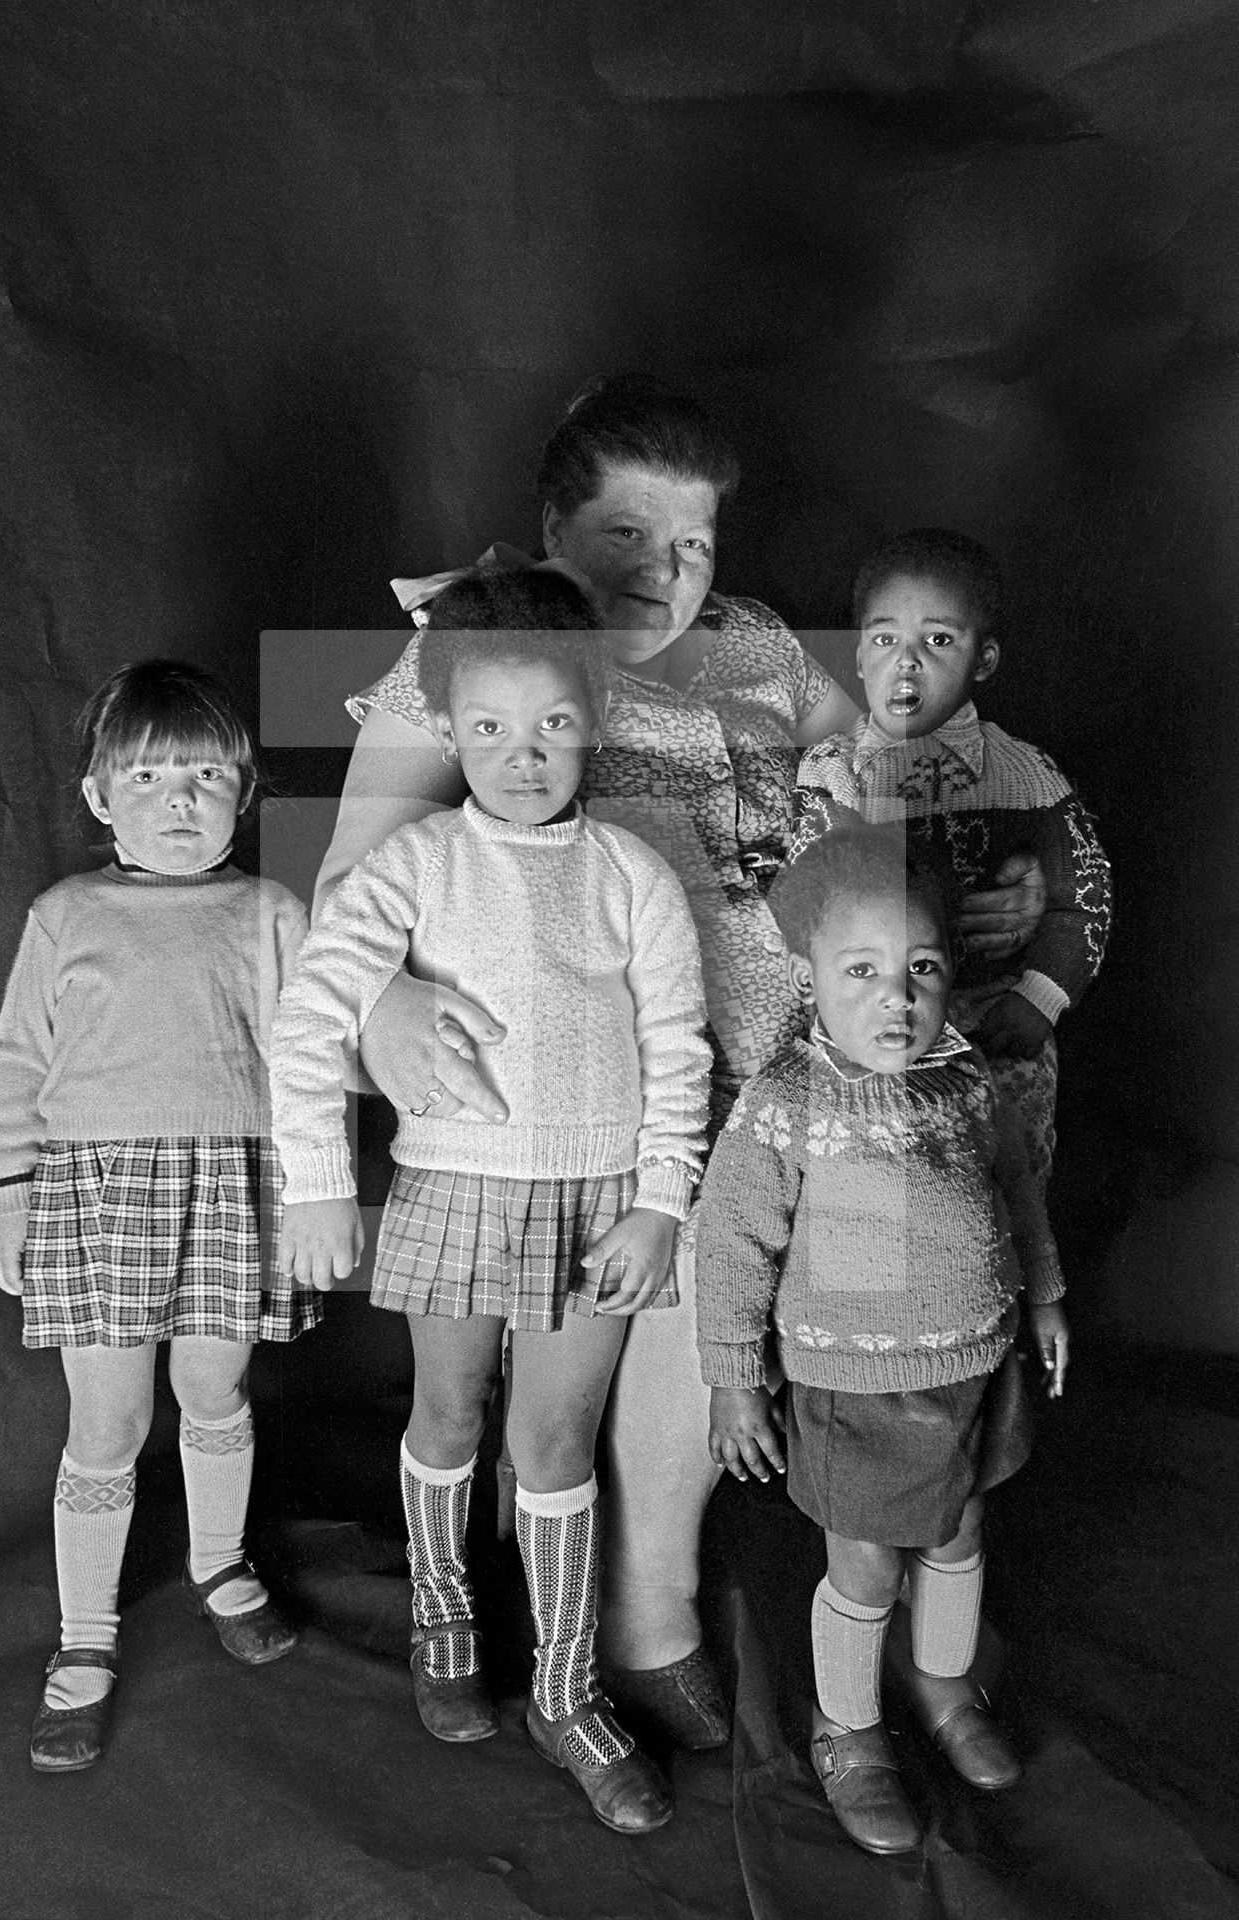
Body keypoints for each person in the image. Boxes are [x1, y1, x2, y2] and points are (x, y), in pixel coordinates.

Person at [312, 379, 1046, 1752]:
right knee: (568, 1353)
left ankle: (663, 1606)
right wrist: (383, 1015)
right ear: (548, 529)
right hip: (581, 1089)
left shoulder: (763, 650)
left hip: (783, 1086)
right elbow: (350, 886)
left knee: (785, 1310)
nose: (666, 572)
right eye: (626, 532)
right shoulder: (488, 647)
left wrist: (941, 865)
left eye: (697, 542)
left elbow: (888, 781)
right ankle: (526, 1610)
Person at [270, 569, 711, 1835]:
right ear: (449, 727)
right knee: (452, 1407)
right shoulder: (412, 864)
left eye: (555, 727)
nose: (524, 758)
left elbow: (676, 1049)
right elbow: (313, 1014)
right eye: (491, 731)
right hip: (456, 1187)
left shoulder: (631, 876)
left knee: (555, 1446)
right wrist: (314, 1183)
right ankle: (442, 1605)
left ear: (596, 718)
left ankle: (565, 1692)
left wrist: (660, 1204)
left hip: (601, 1201)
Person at [695, 827, 1070, 1856]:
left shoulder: (969, 1083)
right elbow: (729, 1246)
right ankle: (847, 1729)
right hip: (855, 1384)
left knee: (956, 1536)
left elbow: (1018, 1190)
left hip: (975, 1364)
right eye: (860, 971)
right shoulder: (788, 1104)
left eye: (921, 969)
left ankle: (943, 1678)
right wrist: (733, 1382)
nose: (893, 997)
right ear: (809, 974)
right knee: (864, 1568)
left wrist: (1042, 1299)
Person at [0, 660, 317, 1774]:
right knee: (110, 1426)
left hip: (233, 1185)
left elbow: (307, 1066)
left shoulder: (271, 912)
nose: (181, 802)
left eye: (208, 776)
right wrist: (9, 1198)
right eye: (151, 777)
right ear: (99, 798)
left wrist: (312, 1194)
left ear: (246, 792)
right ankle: (84, 1637)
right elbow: (15, 1063)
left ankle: (220, 1560)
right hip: (93, 1193)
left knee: (214, 1387)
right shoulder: (64, 914)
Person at [789, 527, 1112, 1185]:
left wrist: (1041, 995)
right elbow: (802, 903)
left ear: (983, 661)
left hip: (994, 1014)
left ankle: (1014, 1275)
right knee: (874, 1172)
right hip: (874, 1010)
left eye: (938, 641)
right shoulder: (830, 772)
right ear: (856, 657)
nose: (905, 663)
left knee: (1006, 1171)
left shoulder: (1028, 777)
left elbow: (1089, 893)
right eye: (884, 640)